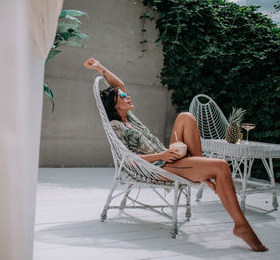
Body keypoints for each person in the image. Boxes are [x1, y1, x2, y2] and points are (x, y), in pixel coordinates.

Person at [84, 57, 268, 252]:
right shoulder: (116, 126)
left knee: (185, 116)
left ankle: (204, 174)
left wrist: (98, 67)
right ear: (114, 106)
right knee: (222, 166)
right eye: (121, 97)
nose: (126, 96)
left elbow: (118, 85)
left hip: (168, 156)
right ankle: (241, 226)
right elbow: (128, 160)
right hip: (158, 166)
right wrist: (161, 156)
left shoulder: (129, 116)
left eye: (124, 94)